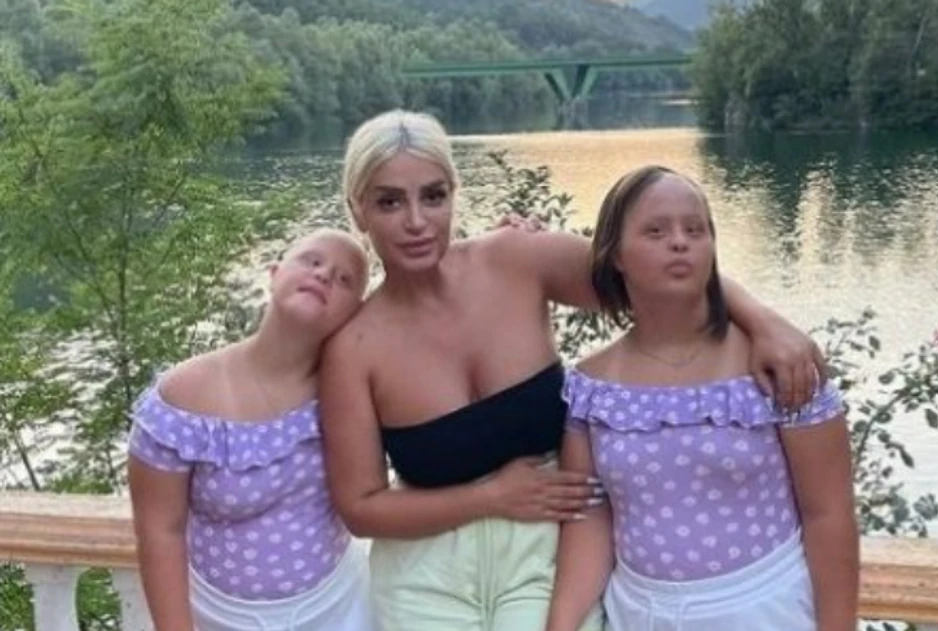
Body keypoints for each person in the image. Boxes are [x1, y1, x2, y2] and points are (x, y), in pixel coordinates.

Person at [318, 110, 829, 631]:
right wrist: (489, 498)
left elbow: (656, 275)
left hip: (549, 552)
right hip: (426, 578)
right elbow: (360, 507)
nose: (416, 222)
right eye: (389, 202)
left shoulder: (517, 261)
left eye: (433, 196)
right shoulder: (353, 350)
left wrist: (765, 322)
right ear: (358, 210)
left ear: (454, 193)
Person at [546, 166, 858, 631]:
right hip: (639, 611)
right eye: (656, 231)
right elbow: (591, 516)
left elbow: (828, 513)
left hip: (763, 605)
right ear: (616, 255)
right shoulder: (593, 386)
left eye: (695, 230)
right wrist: (560, 625)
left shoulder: (776, 365)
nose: (680, 242)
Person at [127, 229, 378, 631]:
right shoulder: (184, 396)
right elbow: (160, 531)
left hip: (340, 608)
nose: (324, 274)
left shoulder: (352, 391)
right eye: (312, 261)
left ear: (355, 312)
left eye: (345, 279)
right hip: (219, 617)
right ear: (275, 273)